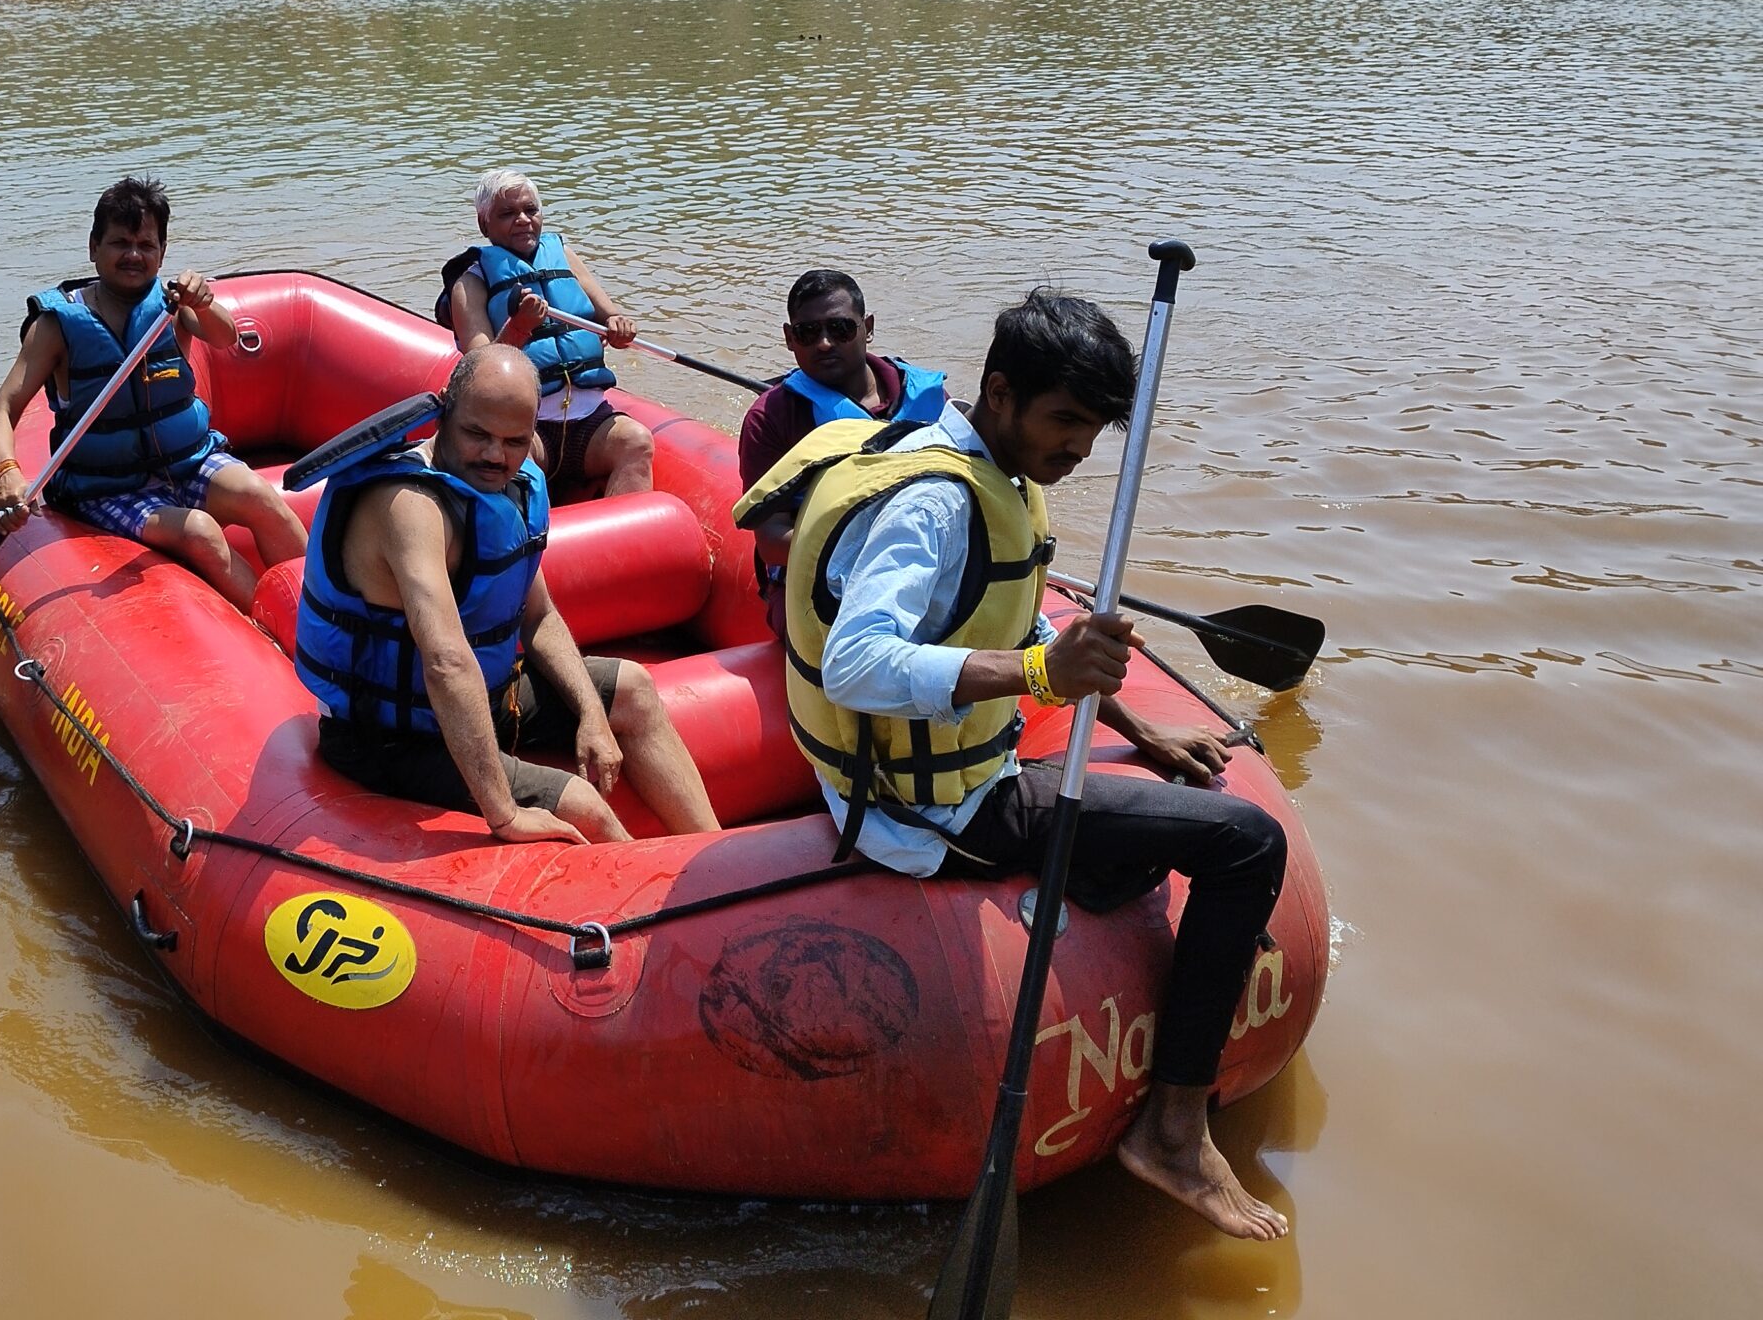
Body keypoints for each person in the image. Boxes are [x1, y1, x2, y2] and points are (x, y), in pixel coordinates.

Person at [731, 288, 1291, 1241]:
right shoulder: (936, 502)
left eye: (1095, 430)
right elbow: (859, 663)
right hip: (934, 811)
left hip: (942, 775)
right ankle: (1175, 1130)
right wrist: (1039, 671)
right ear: (999, 392)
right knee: (1247, 844)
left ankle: (1105, 900)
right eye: (1064, 421)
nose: (1077, 448)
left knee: (1162, 814)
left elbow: (1012, 613)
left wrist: (1141, 729)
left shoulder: (988, 466)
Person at [295, 344, 719, 845]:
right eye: (477, 434)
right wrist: (506, 815)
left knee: (634, 690)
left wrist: (591, 715)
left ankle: (713, 863)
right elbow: (446, 662)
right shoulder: (409, 507)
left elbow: (536, 614)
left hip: (490, 696)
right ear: (444, 413)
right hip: (389, 736)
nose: (495, 455)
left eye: (514, 440)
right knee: (584, 806)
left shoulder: (514, 483)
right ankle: (668, 919)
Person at [0, 175, 305, 610]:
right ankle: (275, 632)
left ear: (162, 253)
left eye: (146, 245)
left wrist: (204, 303)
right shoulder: (57, 325)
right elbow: (1, 411)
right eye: (120, 243)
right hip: (108, 488)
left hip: (188, 462)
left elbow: (226, 338)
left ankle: (322, 621)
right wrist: (7, 474)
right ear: (94, 248)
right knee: (200, 531)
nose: (133, 255)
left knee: (261, 496)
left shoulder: (173, 305)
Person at [736, 267, 950, 634]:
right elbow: (772, 541)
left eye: (840, 329)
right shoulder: (771, 418)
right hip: (817, 577)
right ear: (789, 338)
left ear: (867, 327)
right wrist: (879, 553)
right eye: (808, 332)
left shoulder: (933, 401)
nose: (823, 343)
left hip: (927, 563)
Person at [444, 170, 655, 501]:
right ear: (485, 225)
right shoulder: (470, 284)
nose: (523, 220)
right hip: (524, 430)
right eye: (508, 214)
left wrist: (619, 326)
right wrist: (519, 327)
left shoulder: (563, 255)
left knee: (637, 441)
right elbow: (478, 373)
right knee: (514, 463)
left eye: (531, 210)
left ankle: (633, 545)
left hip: (591, 422)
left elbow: (610, 315)